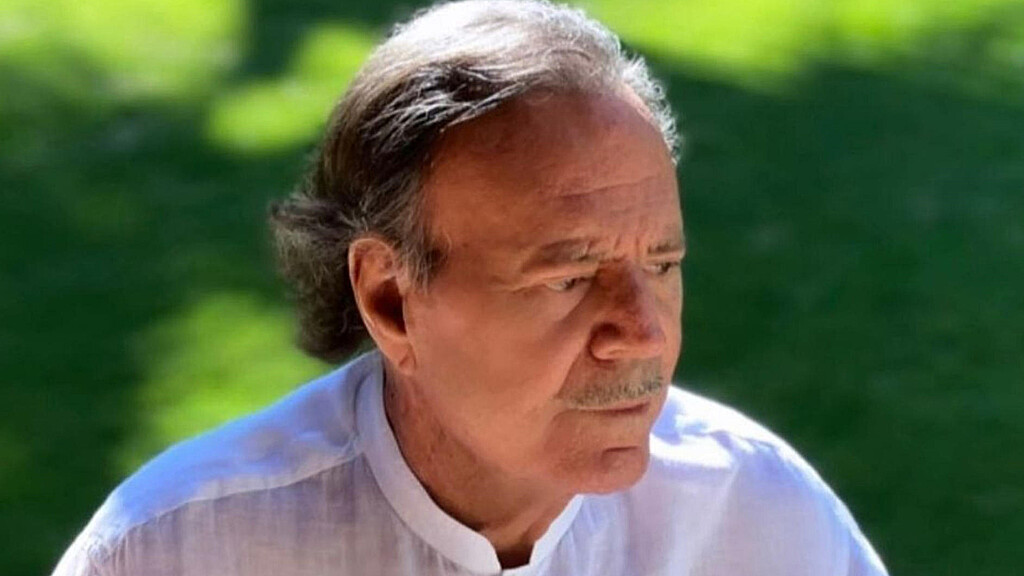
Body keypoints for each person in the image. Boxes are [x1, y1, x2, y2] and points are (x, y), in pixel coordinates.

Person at [52, 1, 889, 574]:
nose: (643, 333)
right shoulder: (177, 550)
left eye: (661, 265)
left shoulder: (758, 518)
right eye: (569, 277)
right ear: (390, 301)